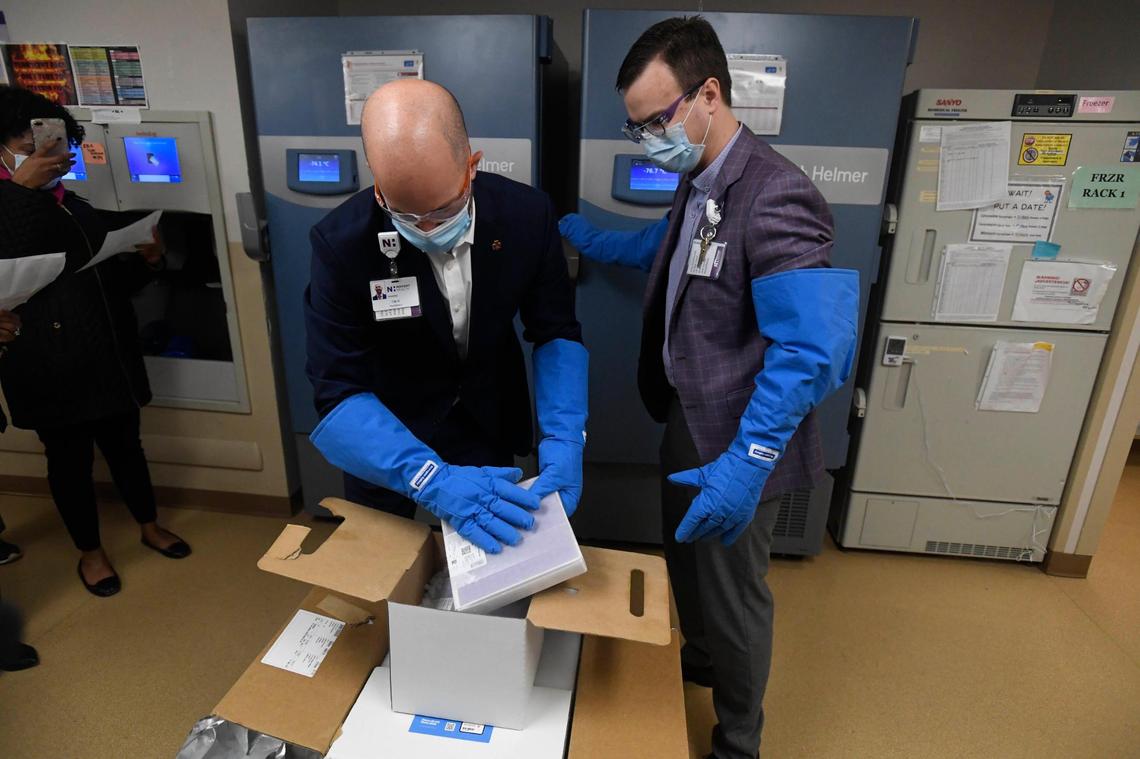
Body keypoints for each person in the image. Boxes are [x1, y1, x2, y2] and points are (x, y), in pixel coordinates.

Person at [563, 17, 859, 759]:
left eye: (657, 121)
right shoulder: (698, 179)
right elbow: (666, 252)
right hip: (686, 418)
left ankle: (738, 738)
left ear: (709, 95)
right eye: (638, 130)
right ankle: (697, 660)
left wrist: (748, 458)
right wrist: (588, 238)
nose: (650, 141)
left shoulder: (776, 192)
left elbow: (811, 350)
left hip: (740, 438)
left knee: (734, 599)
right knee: (685, 565)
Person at [305, 79, 587, 554]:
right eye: (406, 215)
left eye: (443, 209)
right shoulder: (341, 244)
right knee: (377, 569)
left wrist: (564, 437)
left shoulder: (525, 216)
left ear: (471, 167)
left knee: (493, 563)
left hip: (483, 418)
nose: (428, 229)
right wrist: (426, 476)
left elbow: (555, 331)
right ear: (378, 185)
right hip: (386, 435)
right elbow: (336, 390)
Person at [0, 85, 191, 598]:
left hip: (106, 355)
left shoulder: (74, 206)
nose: (52, 156)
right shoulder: (9, 204)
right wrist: (18, 191)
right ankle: (91, 552)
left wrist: (147, 262)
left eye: (59, 143)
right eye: (32, 141)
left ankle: (149, 525)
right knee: (68, 463)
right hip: (45, 364)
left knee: (127, 447)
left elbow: (105, 281)